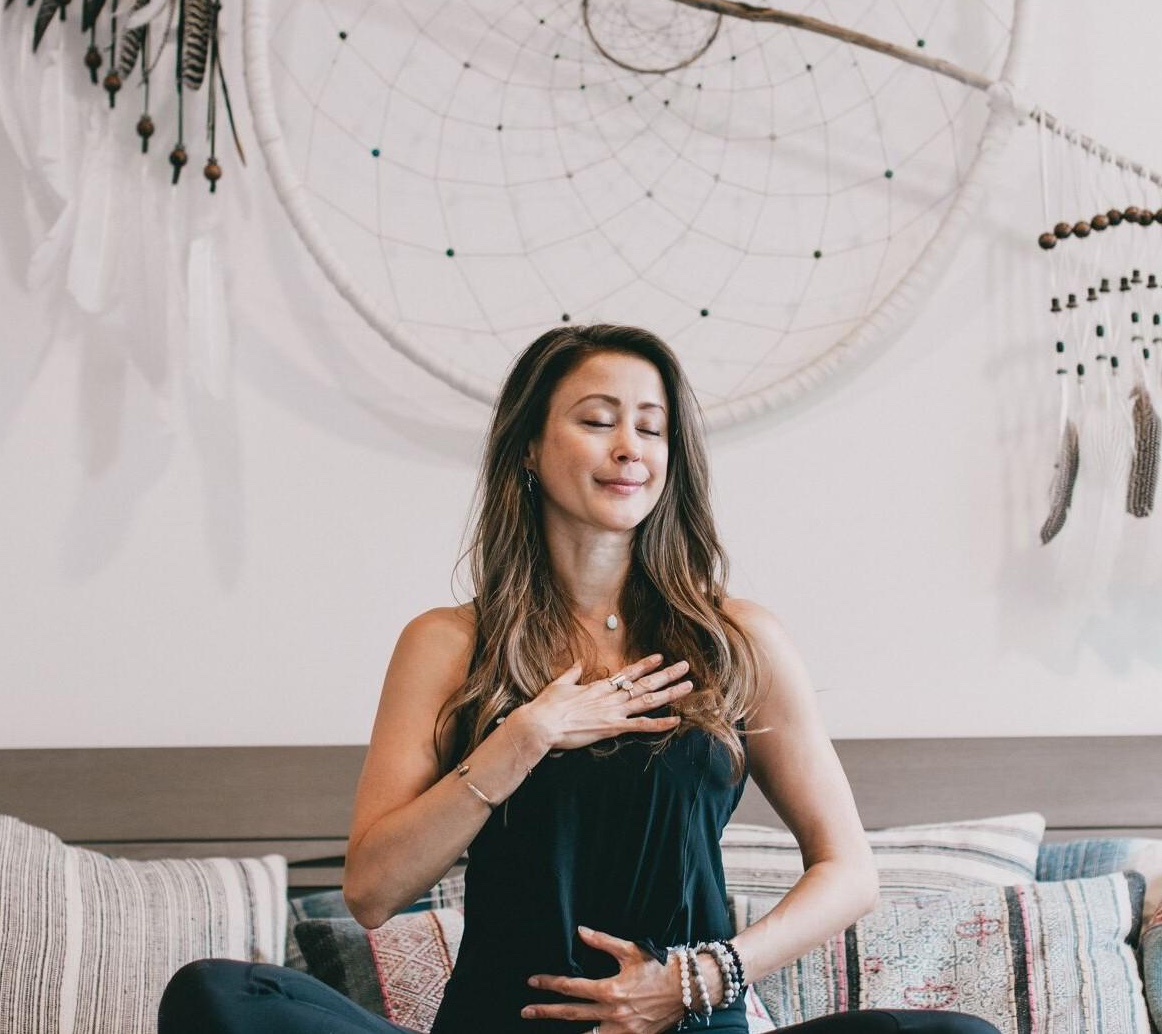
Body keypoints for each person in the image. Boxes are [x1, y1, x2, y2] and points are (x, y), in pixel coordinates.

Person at [159, 324, 1000, 1034]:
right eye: (598, 421)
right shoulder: (447, 645)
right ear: (529, 447)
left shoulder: (737, 638)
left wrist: (698, 979)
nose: (630, 448)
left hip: (685, 1021)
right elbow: (374, 891)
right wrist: (526, 737)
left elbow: (848, 872)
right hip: (507, 1024)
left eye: (652, 429)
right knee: (219, 996)